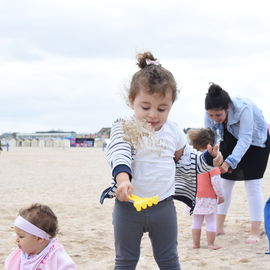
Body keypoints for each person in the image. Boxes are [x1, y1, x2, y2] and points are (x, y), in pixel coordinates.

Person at [100, 52, 223, 269]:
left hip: (163, 207)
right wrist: (122, 180)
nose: (153, 115)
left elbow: (186, 161)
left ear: (171, 105)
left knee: (168, 260)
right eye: (145, 107)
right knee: (125, 260)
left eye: (162, 108)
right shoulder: (124, 127)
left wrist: (208, 158)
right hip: (128, 208)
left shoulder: (173, 131)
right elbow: (119, 153)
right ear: (132, 101)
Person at [204, 83, 270, 244]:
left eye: (217, 115)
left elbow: (246, 138)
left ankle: (255, 231)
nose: (214, 119)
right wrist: (213, 158)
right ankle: (219, 227)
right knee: (225, 183)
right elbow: (210, 137)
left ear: (227, 107)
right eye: (211, 115)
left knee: (252, 185)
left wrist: (230, 161)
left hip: (256, 142)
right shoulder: (211, 113)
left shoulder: (244, 108)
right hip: (231, 138)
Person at [5, 203, 76, 269]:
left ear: (39, 238)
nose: (17, 240)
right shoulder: (21, 255)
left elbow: (68, 267)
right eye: (17, 235)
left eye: (21, 236)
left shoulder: (55, 255)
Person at [187, 128, 224, 250]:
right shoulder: (211, 161)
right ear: (210, 144)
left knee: (196, 221)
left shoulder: (192, 158)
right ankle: (211, 244)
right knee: (210, 221)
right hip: (208, 197)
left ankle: (195, 244)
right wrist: (221, 195)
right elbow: (216, 181)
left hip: (194, 196)